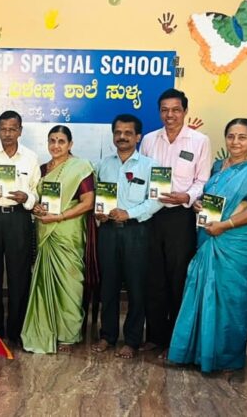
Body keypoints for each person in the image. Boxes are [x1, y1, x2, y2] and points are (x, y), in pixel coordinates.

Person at [168, 119, 247, 372]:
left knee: (232, 298)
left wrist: (226, 225)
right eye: (231, 136)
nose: (235, 142)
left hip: (238, 243)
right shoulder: (218, 166)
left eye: (242, 137)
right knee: (201, 289)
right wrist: (199, 203)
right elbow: (209, 197)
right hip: (209, 235)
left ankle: (224, 356)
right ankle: (196, 351)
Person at [140, 88, 211, 358]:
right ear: (159, 112)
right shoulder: (149, 140)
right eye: (165, 110)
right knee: (153, 277)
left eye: (175, 110)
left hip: (181, 216)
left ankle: (176, 340)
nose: (170, 115)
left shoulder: (199, 141)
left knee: (178, 277)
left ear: (185, 111)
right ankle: (155, 336)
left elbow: (202, 180)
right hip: (152, 215)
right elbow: (142, 175)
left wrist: (187, 196)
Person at [92, 114, 163, 359]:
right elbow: (97, 197)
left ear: (138, 137)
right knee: (108, 286)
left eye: (128, 133)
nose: (122, 137)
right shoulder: (102, 164)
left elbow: (157, 201)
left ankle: (132, 340)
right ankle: (107, 336)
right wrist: (99, 214)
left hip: (137, 233)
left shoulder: (153, 166)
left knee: (136, 287)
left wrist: (129, 213)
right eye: (118, 133)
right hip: (108, 232)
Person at [21, 125, 94, 354]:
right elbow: (36, 199)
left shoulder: (81, 167)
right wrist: (37, 208)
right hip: (46, 230)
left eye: (61, 141)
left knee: (70, 283)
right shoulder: (42, 169)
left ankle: (68, 334)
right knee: (45, 282)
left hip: (68, 232)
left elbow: (88, 202)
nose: (56, 145)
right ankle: (46, 329)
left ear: (70, 144)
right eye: (52, 140)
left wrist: (60, 216)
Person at [0, 110, 40, 346]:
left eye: (12, 129)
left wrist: (27, 198)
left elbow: (37, 192)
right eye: (3, 129)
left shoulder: (30, 157)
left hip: (19, 218)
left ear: (20, 131)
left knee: (19, 276)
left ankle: (17, 331)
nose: (8, 134)